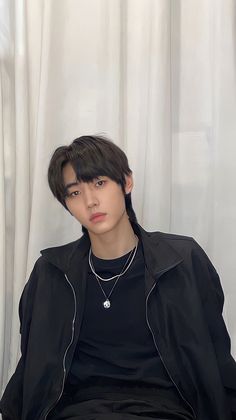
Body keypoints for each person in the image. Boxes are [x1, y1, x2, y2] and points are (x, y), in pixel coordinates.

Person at [0, 135, 236, 420]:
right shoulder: (51, 273)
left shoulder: (182, 261)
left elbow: (216, 357)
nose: (90, 201)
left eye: (99, 183)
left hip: (166, 411)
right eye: (74, 193)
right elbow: (33, 368)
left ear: (126, 182)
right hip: (76, 412)